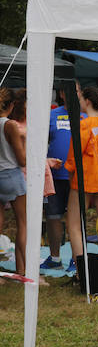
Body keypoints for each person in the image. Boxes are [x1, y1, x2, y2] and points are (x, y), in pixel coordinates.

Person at [65, 86, 98, 257]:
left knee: (74, 224)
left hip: (87, 179)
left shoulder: (84, 125)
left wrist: (69, 173)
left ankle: (81, 271)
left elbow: (74, 156)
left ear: (87, 101)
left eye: (80, 98)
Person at [41, 90, 77, 271]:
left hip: (76, 178)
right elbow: (40, 141)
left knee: (75, 220)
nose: (75, 94)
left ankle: (76, 260)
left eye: (77, 91)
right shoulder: (51, 115)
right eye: (72, 90)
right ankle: (55, 259)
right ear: (63, 93)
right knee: (52, 217)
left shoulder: (84, 115)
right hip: (53, 177)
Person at [0, 88, 27, 276]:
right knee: (23, 224)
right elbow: (22, 159)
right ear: (11, 105)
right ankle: (23, 269)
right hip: (11, 175)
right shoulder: (10, 125)